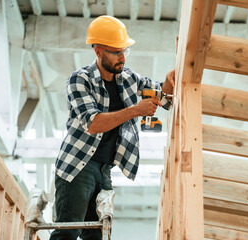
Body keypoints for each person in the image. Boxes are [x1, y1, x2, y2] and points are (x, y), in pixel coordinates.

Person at [50, 15, 175, 240]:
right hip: (79, 166)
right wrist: (136, 110)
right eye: (116, 52)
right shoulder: (79, 80)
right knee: (68, 233)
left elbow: (164, 96)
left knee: (97, 236)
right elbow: (93, 123)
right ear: (98, 51)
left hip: (104, 169)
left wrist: (169, 81)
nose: (122, 58)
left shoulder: (128, 78)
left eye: (124, 51)